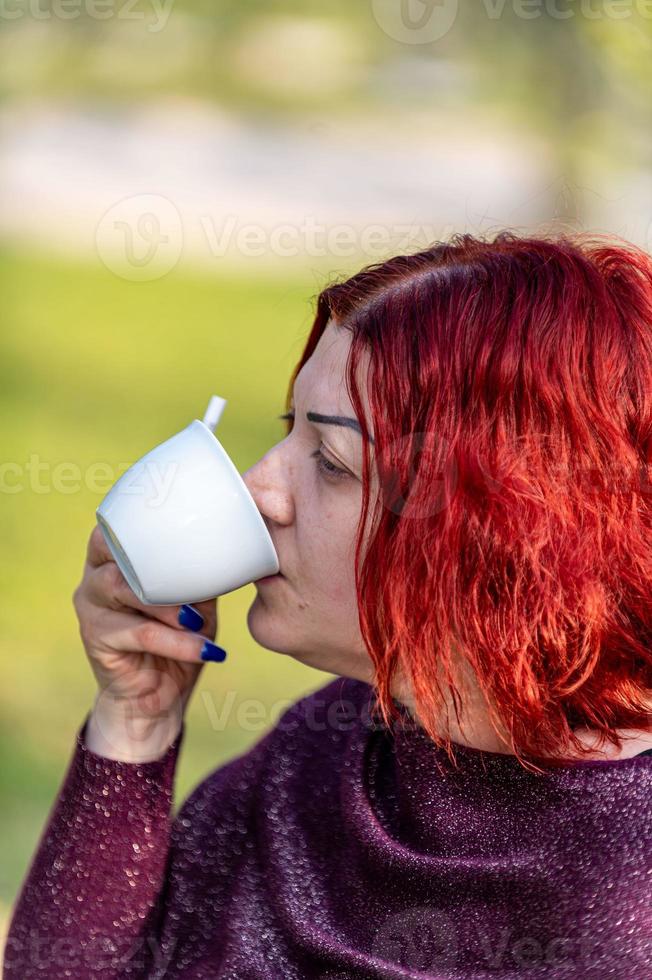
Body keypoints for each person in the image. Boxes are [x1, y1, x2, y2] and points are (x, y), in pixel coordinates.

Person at [4, 231, 651, 979]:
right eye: (289, 430)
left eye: (332, 462)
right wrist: (134, 723)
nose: (257, 488)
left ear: (499, 526)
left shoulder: (625, 890)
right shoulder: (328, 751)